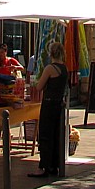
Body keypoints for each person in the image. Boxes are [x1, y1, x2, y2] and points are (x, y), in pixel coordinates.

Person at [28, 41, 68, 178]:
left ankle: (43, 166)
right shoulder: (64, 68)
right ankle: (54, 165)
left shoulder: (50, 68)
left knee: (45, 135)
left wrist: (34, 82)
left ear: (51, 53)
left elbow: (39, 86)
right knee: (56, 135)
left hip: (49, 104)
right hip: (59, 105)